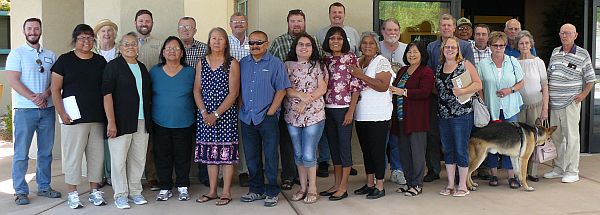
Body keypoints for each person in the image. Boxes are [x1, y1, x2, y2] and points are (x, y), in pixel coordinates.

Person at [6, 17, 62, 205]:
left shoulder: (50, 55)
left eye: (36, 28)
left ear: (40, 31)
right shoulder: (17, 54)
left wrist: (46, 94)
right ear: (24, 31)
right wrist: (34, 97)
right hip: (25, 111)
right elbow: (13, 80)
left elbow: (55, 81)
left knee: (45, 152)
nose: (32, 31)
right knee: (21, 153)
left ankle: (44, 186)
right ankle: (20, 191)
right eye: (29, 28)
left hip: (47, 109)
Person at [51, 24, 107, 209]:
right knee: (73, 158)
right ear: (75, 39)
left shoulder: (100, 62)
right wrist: (62, 113)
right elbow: (55, 89)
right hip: (73, 119)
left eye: (90, 38)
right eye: (82, 38)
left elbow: (107, 91)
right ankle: (73, 193)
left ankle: (94, 191)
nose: (86, 41)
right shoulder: (64, 60)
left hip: (97, 118)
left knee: (96, 157)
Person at [239, 31, 290, 207]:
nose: (254, 46)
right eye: (251, 43)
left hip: (267, 118)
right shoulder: (243, 63)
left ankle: (272, 191)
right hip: (247, 118)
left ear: (266, 44)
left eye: (258, 43)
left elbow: (282, 89)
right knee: (251, 157)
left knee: (270, 156)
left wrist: (271, 112)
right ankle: (256, 190)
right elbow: (238, 89)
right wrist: (242, 108)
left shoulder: (275, 63)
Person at [102, 32, 152, 209]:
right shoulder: (113, 67)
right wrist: (111, 121)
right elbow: (107, 95)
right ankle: (121, 194)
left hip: (141, 120)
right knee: (118, 160)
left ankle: (136, 192)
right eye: (126, 44)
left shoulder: (142, 67)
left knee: (138, 159)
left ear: (138, 47)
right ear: (120, 48)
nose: (131, 47)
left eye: (133, 44)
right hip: (120, 121)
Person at [425, 13, 475, 183]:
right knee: (434, 137)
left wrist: (461, 92)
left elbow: (471, 75)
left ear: (454, 28)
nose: (446, 28)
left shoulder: (465, 46)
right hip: (437, 100)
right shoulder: (432, 47)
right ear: (439, 27)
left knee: (460, 143)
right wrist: (440, 93)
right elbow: (431, 74)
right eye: (443, 25)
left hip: (461, 104)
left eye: (449, 25)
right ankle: (433, 169)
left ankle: (462, 180)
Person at [194, 27, 241, 206]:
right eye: (213, 38)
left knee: (226, 154)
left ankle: (226, 191)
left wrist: (216, 114)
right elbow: (196, 90)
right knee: (210, 154)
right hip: (205, 116)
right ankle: (212, 190)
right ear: (209, 41)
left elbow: (233, 93)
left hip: (225, 116)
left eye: (221, 39)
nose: (217, 41)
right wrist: (205, 113)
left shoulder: (232, 63)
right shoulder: (201, 62)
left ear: (226, 42)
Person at [544, 23, 596, 183]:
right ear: (559, 35)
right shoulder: (555, 52)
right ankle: (559, 168)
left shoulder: (582, 54)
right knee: (557, 138)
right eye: (562, 33)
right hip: (554, 104)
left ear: (576, 35)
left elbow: (591, 79)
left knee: (572, 137)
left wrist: (583, 95)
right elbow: (548, 75)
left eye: (568, 33)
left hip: (570, 103)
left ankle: (572, 171)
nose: (565, 36)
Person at [318, 27, 363, 201]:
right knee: (333, 148)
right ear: (327, 41)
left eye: (339, 38)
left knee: (344, 148)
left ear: (344, 40)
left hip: (344, 109)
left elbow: (356, 86)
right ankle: (336, 184)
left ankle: (343, 187)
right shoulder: (324, 59)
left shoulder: (350, 58)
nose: (335, 41)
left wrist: (351, 111)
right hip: (327, 109)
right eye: (332, 38)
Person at [283, 33, 328, 204]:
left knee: (309, 153)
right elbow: (285, 88)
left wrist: (305, 102)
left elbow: (322, 88)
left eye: (308, 45)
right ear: (295, 47)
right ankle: (302, 188)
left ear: (312, 48)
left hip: (314, 115)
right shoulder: (286, 65)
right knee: (298, 153)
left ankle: (313, 188)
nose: (304, 47)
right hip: (292, 114)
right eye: (300, 44)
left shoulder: (319, 65)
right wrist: (301, 97)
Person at [268, 9, 310, 191]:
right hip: (285, 100)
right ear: (288, 23)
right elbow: (272, 69)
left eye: (299, 21)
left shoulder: (311, 41)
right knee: (287, 140)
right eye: (293, 21)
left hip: (309, 101)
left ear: (304, 23)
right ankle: (288, 175)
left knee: (306, 140)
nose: (296, 24)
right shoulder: (278, 42)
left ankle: (304, 176)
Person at [476, 31, 524, 189]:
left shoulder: (512, 61)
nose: (498, 48)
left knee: (511, 142)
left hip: (510, 108)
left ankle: (512, 176)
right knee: (492, 142)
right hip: (491, 109)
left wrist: (509, 90)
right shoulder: (483, 64)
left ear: (505, 46)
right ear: (490, 46)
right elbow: (479, 86)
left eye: (501, 45)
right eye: (495, 45)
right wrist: (483, 104)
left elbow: (521, 83)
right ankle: (494, 174)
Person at [435, 36, 482, 197]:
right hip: (443, 114)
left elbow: (478, 84)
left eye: (453, 48)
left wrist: (463, 91)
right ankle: (450, 184)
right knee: (448, 149)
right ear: (443, 49)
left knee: (460, 149)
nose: (450, 50)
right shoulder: (439, 67)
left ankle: (462, 185)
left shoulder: (465, 64)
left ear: (458, 50)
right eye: (447, 47)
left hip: (461, 114)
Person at [151, 36, 195, 202]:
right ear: (163, 52)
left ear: (182, 53)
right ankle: (165, 187)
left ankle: (183, 186)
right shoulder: (154, 71)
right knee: (162, 156)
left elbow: (197, 94)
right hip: (159, 121)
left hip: (184, 121)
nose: (171, 51)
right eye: (168, 48)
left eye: (176, 48)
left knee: (183, 155)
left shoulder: (190, 72)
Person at [351, 32, 394, 199]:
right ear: (360, 46)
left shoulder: (381, 62)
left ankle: (380, 185)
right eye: (364, 43)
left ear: (377, 46)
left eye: (371, 43)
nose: (367, 45)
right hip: (361, 114)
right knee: (366, 151)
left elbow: (382, 86)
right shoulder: (359, 62)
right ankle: (369, 183)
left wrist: (360, 75)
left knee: (377, 151)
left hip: (378, 114)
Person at [389, 42, 434, 197]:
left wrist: (404, 92)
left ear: (422, 54)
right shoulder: (402, 70)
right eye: (409, 52)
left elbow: (425, 92)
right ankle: (409, 182)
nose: (412, 55)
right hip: (401, 119)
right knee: (404, 153)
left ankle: (417, 184)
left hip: (417, 120)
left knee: (417, 153)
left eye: (415, 52)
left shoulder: (426, 71)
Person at [515, 30, 548, 182]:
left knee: (535, 138)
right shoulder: (513, 62)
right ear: (518, 45)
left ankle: (532, 172)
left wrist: (545, 109)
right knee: (520, 139)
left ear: (531, 44)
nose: (524, 46)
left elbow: (545, 86)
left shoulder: (538, 62)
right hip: (519, 106)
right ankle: (518, 172)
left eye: (527, 43)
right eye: (521, 43)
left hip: (536, 104)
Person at [134, 9, 162, 191]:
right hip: (131, 99)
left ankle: (152, 176)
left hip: (153, 98)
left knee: (151, 141)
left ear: (152, 23)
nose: (144, 24)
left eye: (148, 21)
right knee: (132, 139)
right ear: (135, 22)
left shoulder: (160, 45)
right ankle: (134, 178)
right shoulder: (127, 43)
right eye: (141, 21)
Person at [379, 18, 407, 185]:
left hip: (399, 101)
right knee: (380, 138)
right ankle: (379, 172)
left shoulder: (406, 49)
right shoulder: (376, 48)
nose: (392, 33)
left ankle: (397, 170)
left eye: (395, 30)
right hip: (380, 101)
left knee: (397, 138)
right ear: (383, 31)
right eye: (389, 30)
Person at [93, 18, 118, 187]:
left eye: (109, 30)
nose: (107, 34)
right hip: (96, 101)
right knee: (98, 140)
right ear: (98, 35)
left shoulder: (121, 52)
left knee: (114, 138)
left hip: (117, 101)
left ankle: (112, 174)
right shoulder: (93, 54)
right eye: (103, 31)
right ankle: (99, 174)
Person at [227, 12, 250, 187]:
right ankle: (224, 173)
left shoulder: (253, 42)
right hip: (227, 95)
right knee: (226, 134)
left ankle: (244, 171)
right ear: (230, 24)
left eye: (242, 22)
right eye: (235, 22)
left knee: (245, 135)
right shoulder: (225, 43)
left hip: (249, 96)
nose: (239, 24)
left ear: (246, 24)